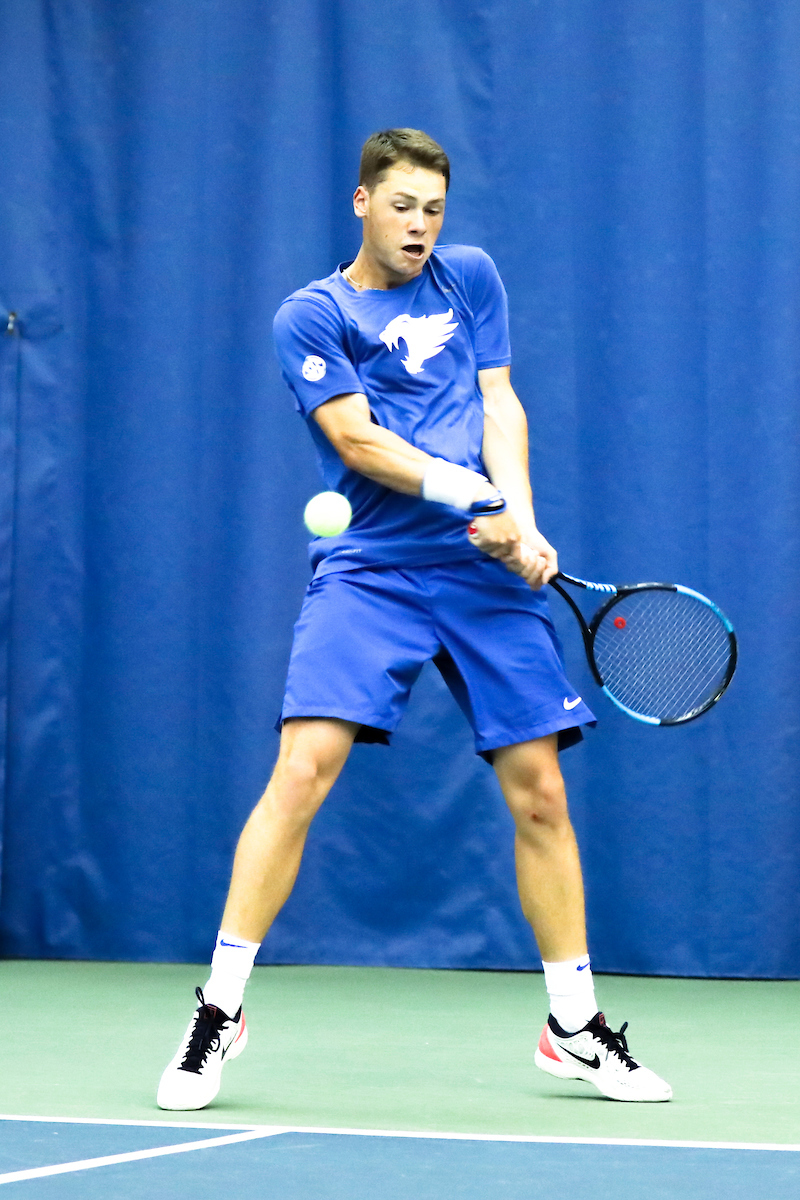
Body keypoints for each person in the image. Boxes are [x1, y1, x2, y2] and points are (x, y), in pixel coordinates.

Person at [157, 128, 671, 1110]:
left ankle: (571, 1026)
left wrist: (517, 516)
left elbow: (498, 403)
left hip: (480, 572)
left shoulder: (468, 277)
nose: (419, 227)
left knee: (539, 795)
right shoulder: (311, 314)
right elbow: (353, 439)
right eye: (401, 206)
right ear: (361, 202)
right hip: (370, 569)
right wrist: (465, 496)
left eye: (432, 209)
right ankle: (218, 1011)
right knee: (303, 767)